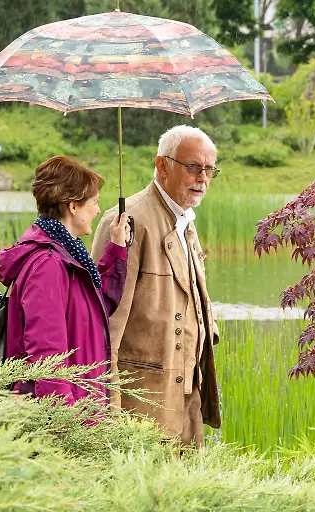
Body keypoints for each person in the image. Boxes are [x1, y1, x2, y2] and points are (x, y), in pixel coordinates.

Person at [92, 125, 221, 447]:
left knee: (185, 491)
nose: (202, 178)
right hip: (144, 396)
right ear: (162, 166)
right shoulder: (126, 221)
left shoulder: (184, 220)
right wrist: (106, 404)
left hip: (186, 390)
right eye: (193, 167)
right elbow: (104, 321)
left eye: (209, 169)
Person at [0, 155, 131, 404]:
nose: (98, 210)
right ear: (73, 206)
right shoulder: (47, 266)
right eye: (94, 202)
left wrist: (116, 247)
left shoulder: (69, 255)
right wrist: (64, 425)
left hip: (84, 407)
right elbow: (47, 356)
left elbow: (97, 305)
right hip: (67, 419)